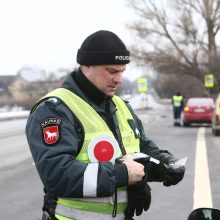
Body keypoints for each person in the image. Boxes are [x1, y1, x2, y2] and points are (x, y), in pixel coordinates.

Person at [25, 30, 185, 220]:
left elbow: (140, 148)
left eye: (122, 71)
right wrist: (122, 175)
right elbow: (57, 175)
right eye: (112, 71)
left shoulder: (120, 105)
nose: (119, 79)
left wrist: (165, 164)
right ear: (86, 66)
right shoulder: (55, 109)